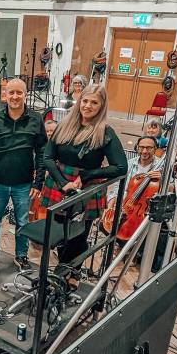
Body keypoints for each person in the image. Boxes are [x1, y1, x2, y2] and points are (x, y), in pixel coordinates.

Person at [40, 84, 127, 266]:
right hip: (59, 184)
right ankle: (64, 272)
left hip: (85, 189)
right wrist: (63, 182)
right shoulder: (64, 125)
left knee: (78, 235)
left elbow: (121, 167)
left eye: (94, 102)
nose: (88, 106)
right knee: (59, 233)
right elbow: (48, 157)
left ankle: (70, 274)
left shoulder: (105, 132)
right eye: (85, 101)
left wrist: (88, 175)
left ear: (102, 106)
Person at [0, 78, 47, 272]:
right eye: (11, 93)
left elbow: (42, 152)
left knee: (22, 222)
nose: (15, 96)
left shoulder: (36, 119)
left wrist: (38, 182)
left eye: (19, 93)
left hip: (24, 184)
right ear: (5, 95)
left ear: (25, 94)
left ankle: (21, 256)